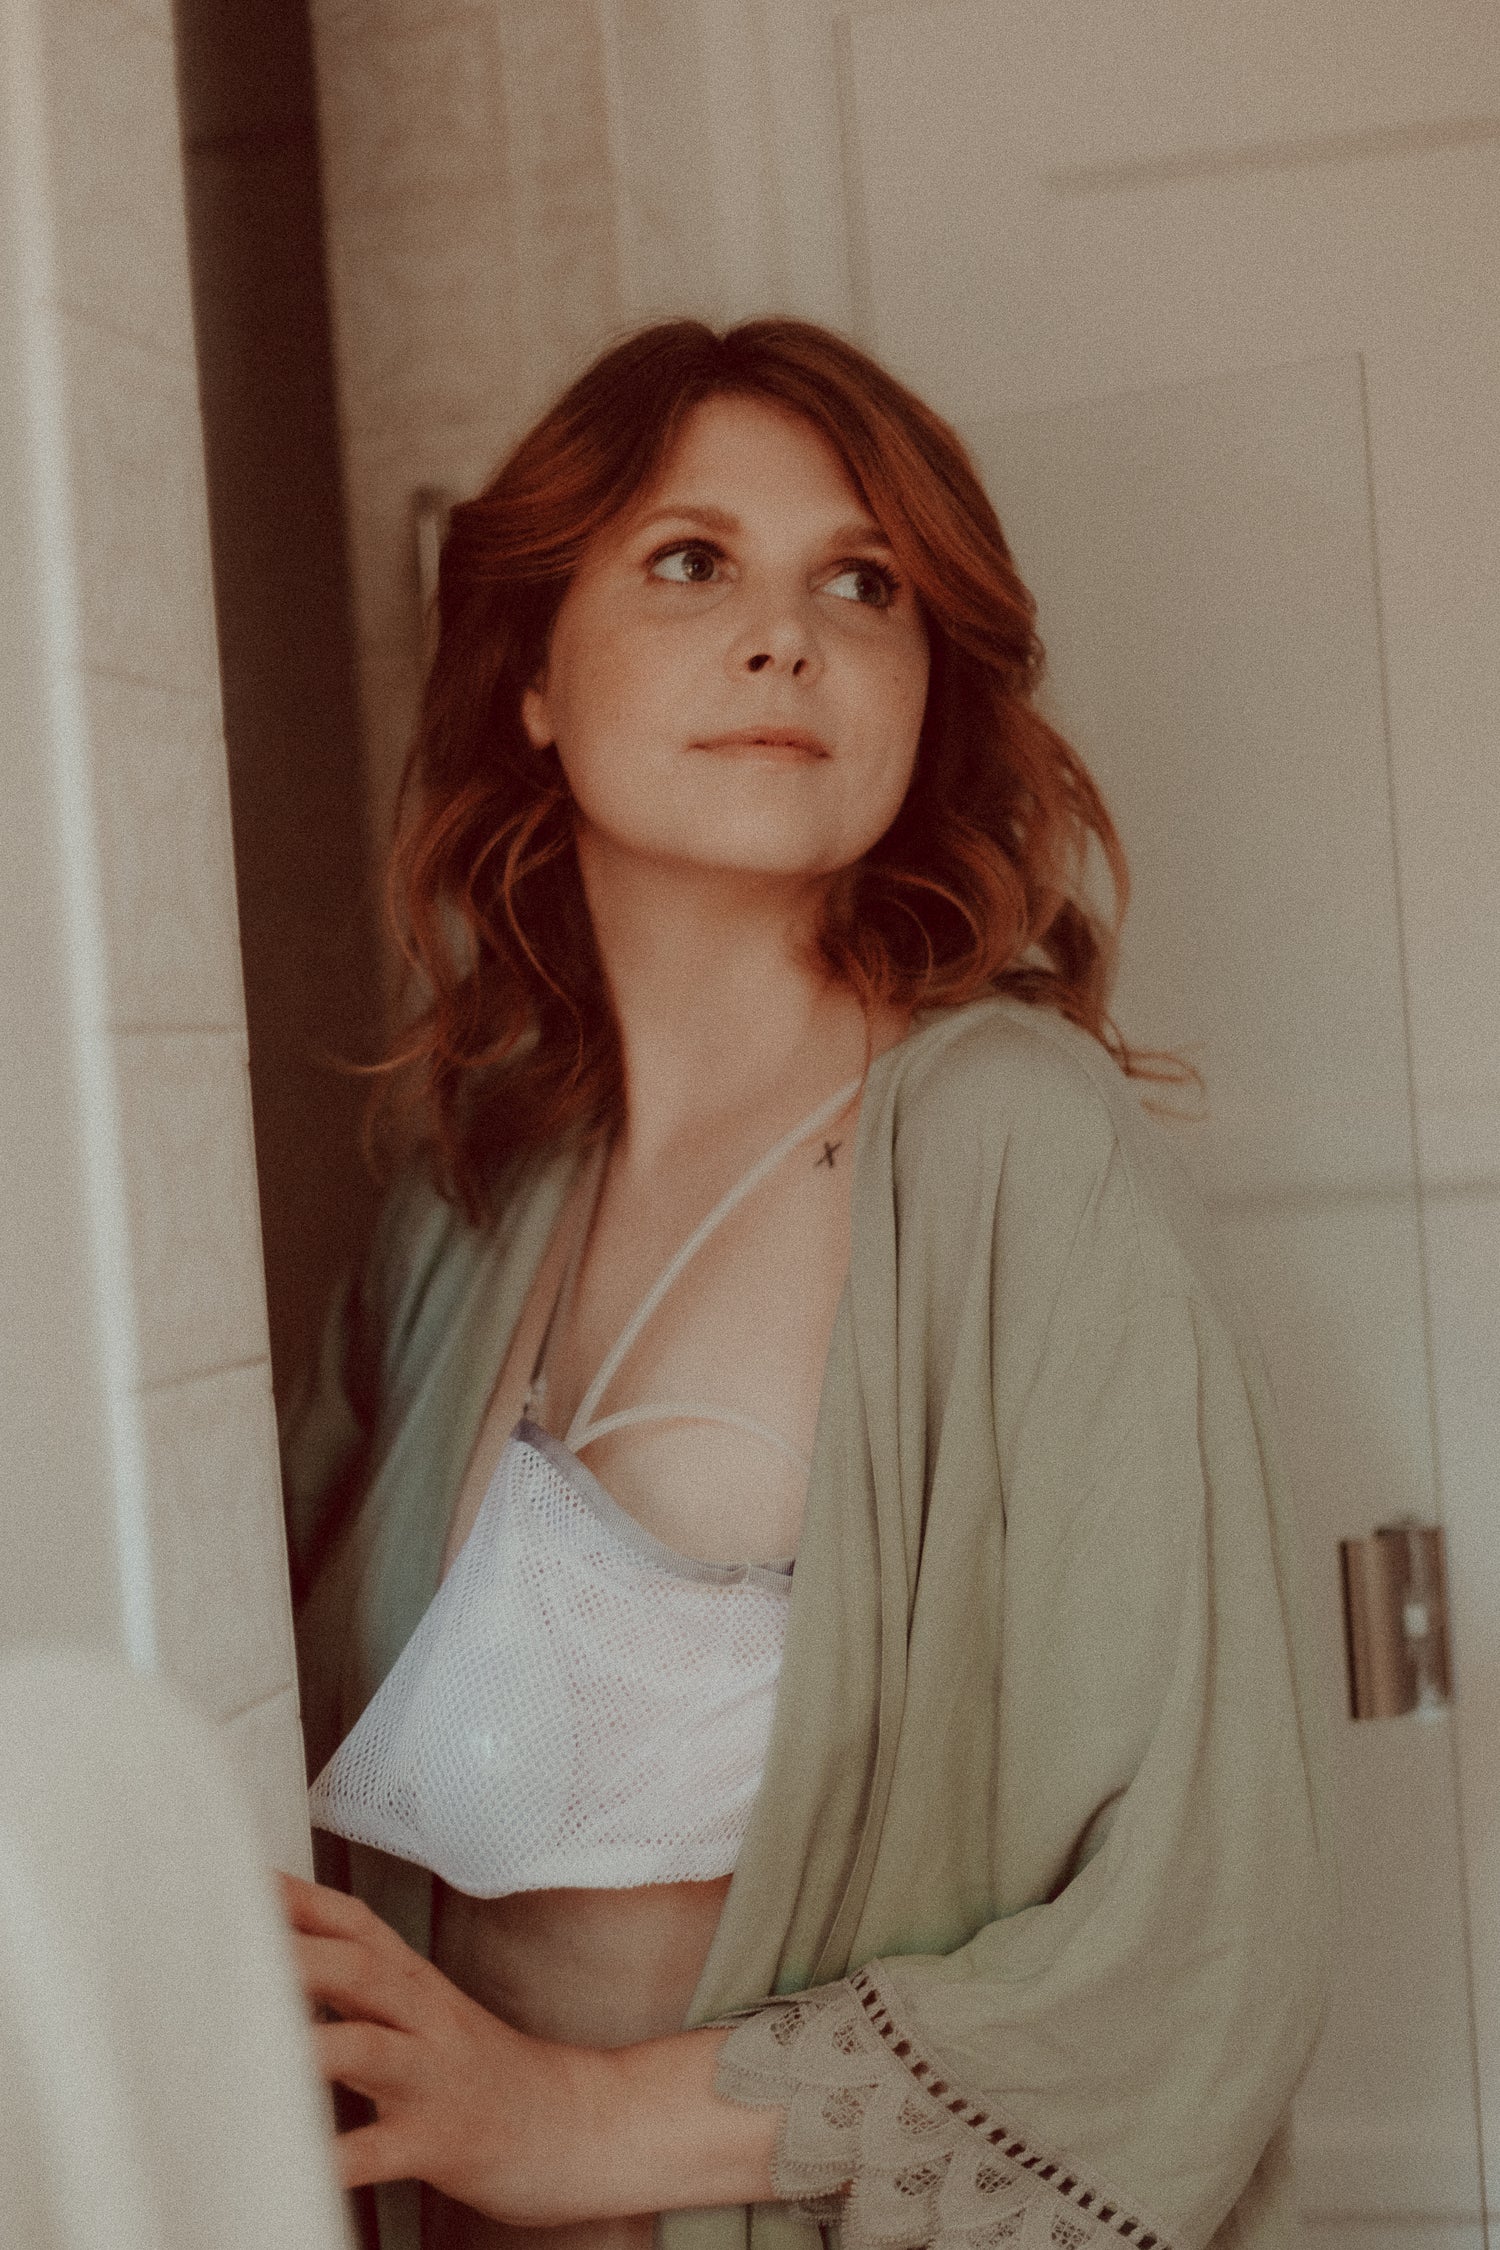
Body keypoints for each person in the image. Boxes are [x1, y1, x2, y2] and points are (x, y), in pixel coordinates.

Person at [280, 318, 1336, 2250]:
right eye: (692, 561)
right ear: (528, 671)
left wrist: (574, 2119)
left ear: (926, 686)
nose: (790, 637)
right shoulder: (461, 1203)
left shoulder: (1014, 1145)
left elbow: (1205, 1929)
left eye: (864, 585)